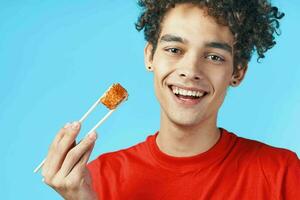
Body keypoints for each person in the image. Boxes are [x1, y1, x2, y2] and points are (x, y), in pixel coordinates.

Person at [42, 0, 300, 199]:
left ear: (238, 71)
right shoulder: (94, 179)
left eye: (214, 57)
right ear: (150, 57)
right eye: (174, 50)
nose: (191, 71)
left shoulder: (281, 174)